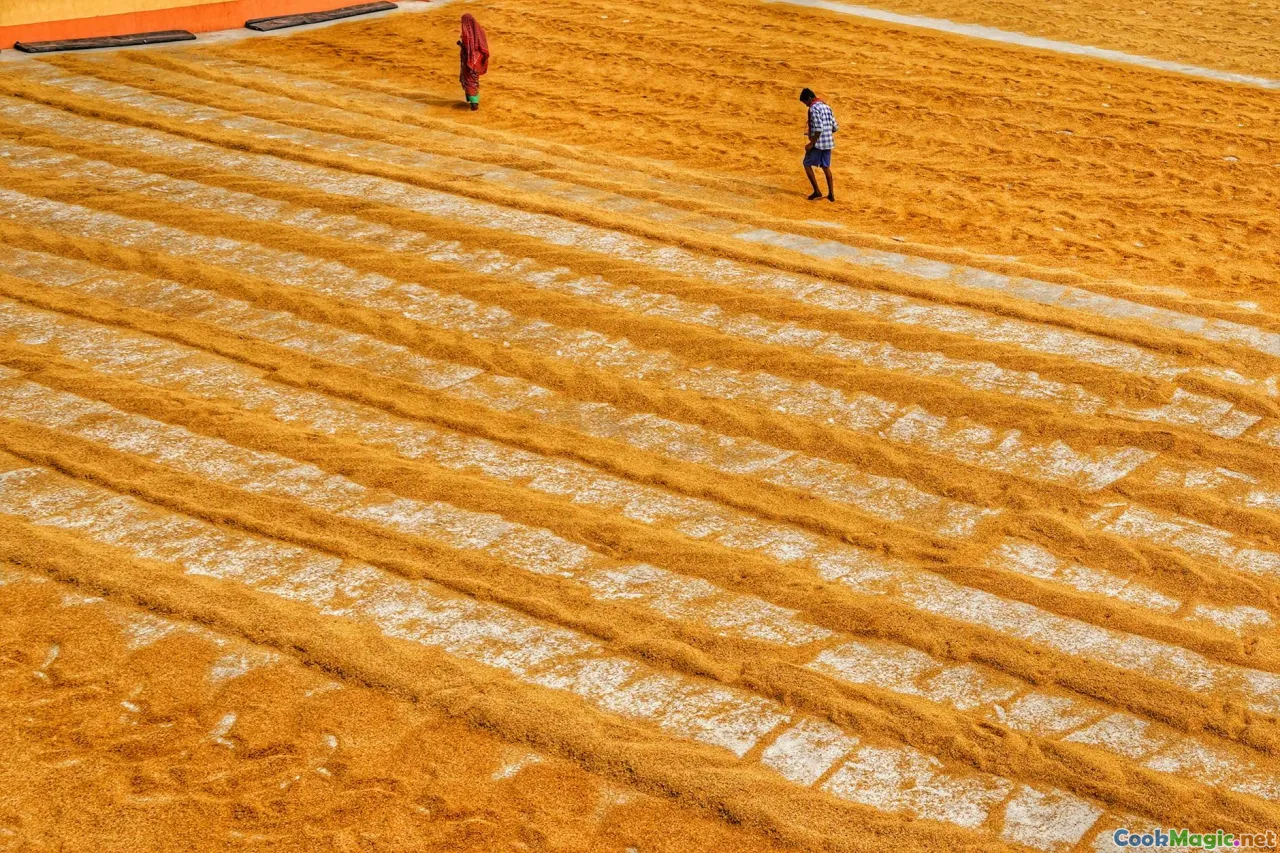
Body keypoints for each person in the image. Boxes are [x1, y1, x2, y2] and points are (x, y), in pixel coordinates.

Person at [799, 88, 837, 201]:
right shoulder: (826, 106)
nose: (806, 105)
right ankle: (831, 194)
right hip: (828, 143)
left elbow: (819, 128)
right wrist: (825, 133)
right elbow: (835, 127)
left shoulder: (813, 109)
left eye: (806, 102)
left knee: (806, 163)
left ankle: (817, 191)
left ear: (809, 99)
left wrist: (812, 143)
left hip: (818, 144)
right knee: (826, 167)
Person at [458, 14, 489, 111]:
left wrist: (462, 46)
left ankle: (474, 104)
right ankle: (473, 101)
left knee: (469, 81)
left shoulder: (468, 34)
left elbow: (468, 48)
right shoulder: (479, 31)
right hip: (477, 60)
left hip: (470, 62)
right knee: (473, 80)